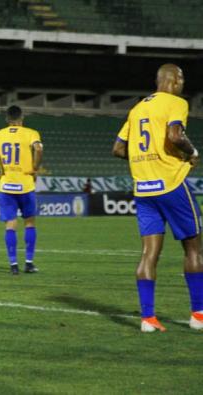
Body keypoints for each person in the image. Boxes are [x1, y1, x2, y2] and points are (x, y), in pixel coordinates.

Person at [112, 63, 203, 333]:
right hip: (172, 185)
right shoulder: (175, 102)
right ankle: (198, 315)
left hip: (144, 190)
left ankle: (147, 319)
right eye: (182, 78)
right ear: (175, 79)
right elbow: (175, 136)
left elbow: (118, 149)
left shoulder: (137, 108)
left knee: (149, 254)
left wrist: (144, 156)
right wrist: (192, 152)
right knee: (194, 249)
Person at [0, 106, 43, 275]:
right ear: (22, 117)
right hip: (25, 185)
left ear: (6, 119)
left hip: (6, 186)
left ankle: (13, 266)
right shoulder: (31, 133)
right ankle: (29, 263)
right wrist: (35, 168)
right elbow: (38, 149)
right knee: (30, 223)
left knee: (10, 225)